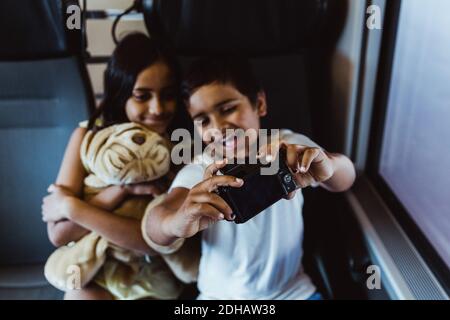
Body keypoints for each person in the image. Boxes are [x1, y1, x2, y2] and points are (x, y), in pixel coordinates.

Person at [144, 56, 356, 300]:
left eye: (228, 109)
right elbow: (155, 223)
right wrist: (178, 220)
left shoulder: (287, 147)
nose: (218, 127)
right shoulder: (201, 169)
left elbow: (346, 177)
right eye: (203, 121)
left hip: (293, 293)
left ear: (260, 103)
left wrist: (329, 167)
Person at [41, 33, 190, 300]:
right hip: (94, 271)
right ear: (121, 95)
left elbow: (153, 243)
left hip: (153, 276)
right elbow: (60, 234)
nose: (157, 109)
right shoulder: (87, 138)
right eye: (142, 96)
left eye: (168, 96)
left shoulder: (180, 147)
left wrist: (73, 208)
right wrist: (121, 192)